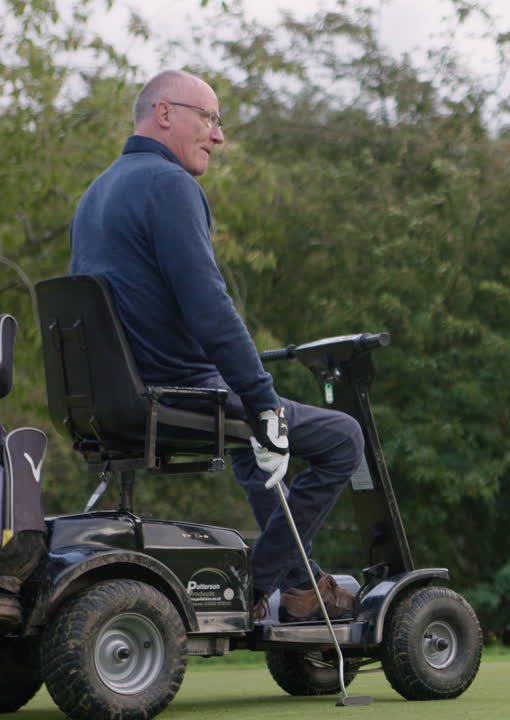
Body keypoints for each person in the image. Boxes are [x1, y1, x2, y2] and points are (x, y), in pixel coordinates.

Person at [68, 70, 363, 623]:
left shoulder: (96, 193)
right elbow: (208, 307)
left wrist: (249, 399)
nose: (218, 136)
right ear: (164, 114)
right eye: (209, 118)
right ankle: (261, 579)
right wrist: (263, 399)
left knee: (249, 448)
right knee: (344, 437)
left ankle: (303, 587)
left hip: (118, 396)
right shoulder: (170, 185)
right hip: (177, 392)